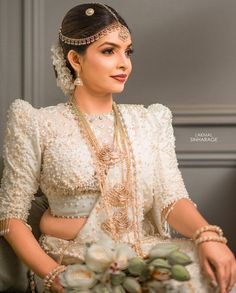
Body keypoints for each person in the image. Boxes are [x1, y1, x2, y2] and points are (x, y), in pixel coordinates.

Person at [0, 3, 235, 293]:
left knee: (209, 278)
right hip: (76, 262)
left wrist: (207, 235)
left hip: (145, 250)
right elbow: (11, 217)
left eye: (128, 51)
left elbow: (171, 198)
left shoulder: (150, 120)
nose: (124, 63)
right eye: (109, 51)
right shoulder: (37, 123)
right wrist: (53, 275)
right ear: (75, 59)